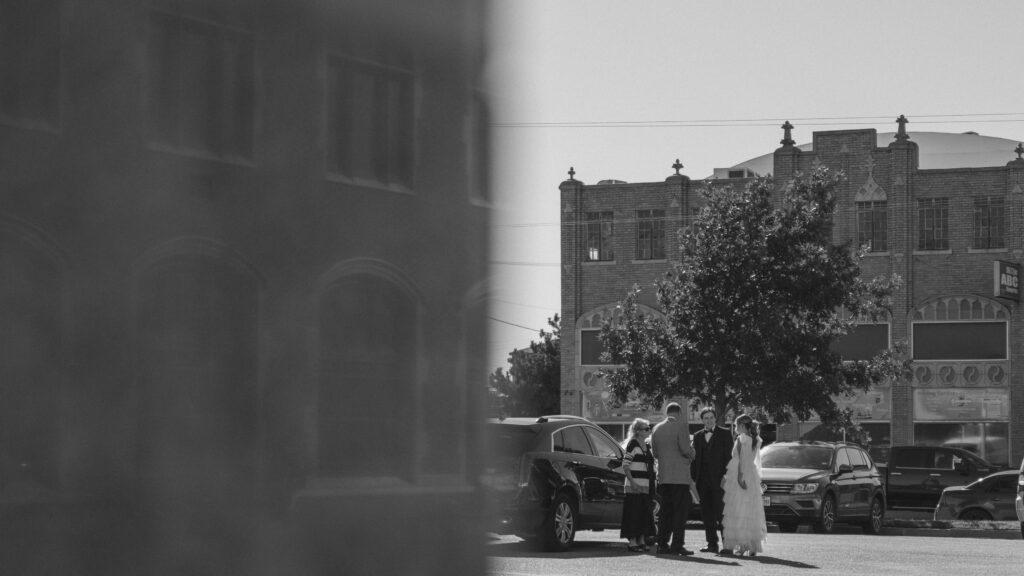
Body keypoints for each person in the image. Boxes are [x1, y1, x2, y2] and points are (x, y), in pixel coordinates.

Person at [650, 402, 695, 556]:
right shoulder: (681, 426)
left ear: (667, 413)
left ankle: (662, 544)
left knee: (665, 512)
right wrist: (692, 453)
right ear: (679, 413)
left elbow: (655, 453)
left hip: (663, 477)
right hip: (680, 477)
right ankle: (677, 545)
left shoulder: (656, 429)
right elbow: (685, 449)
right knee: (679, 513)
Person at [720, 413, 767, 556]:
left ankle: (743, 545)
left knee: (738, 509)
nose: (735, 428)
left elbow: (740, 460)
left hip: (740, 474)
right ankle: (752, 545)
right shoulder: (756, 439)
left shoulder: (742, 439)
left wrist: (739, 478)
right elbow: (756, 461)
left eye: (735, 425)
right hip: (751, 475)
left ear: (741, 425)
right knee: (750, 510)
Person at [690, 407, 732, 553]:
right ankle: (711, 544)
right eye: (706, 418)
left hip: (720, 481)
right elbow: (695, 461)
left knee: (722, 513)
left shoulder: (725, 433)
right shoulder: (697, 435)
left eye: (711, 417)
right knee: (706, 514)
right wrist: (694, 479)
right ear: (702, 420)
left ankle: (728, 545)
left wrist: (726, 476)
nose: (709, 420)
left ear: (715, 418)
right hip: (702, 482)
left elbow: (729, 458)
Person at [619, 418, 656, 552]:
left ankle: (641, 540)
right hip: (634, 486)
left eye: (649, 428)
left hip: (645, 487)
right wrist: (632, 482)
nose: (649, 430)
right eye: (646, 429)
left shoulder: (647, 446)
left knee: (643, 514)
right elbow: (625, 464)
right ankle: (632, 542)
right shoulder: (633, 445)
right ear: (638, 431)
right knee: (633, 514)